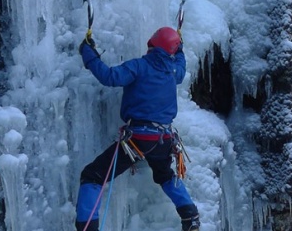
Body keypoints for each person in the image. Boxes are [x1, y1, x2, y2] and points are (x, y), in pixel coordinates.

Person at [75, 27, 200, 231]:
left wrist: (88, 52)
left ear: (151, 44)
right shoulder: (174, 71)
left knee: (92, 176)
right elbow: (181, 62)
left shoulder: (139, 66)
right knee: (165, 175)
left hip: (138, 139)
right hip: (164, 139)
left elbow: (109, 77)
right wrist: (180, 48)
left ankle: (87, 227)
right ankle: (191, 216)